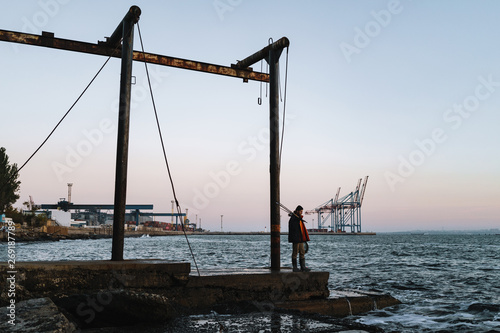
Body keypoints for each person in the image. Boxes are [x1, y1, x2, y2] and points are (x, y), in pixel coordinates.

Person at [288, 205, 310, 272]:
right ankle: (295, 268)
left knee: (302, 252)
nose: (301, 213)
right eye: (300, 211)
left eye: (302, 211)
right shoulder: (293, 219)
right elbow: (293, 229)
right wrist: (297, 219)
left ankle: (303, 267)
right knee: (295, 253)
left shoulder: (298, 218)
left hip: (300, 239)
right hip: (296, 239)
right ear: (297, 211)